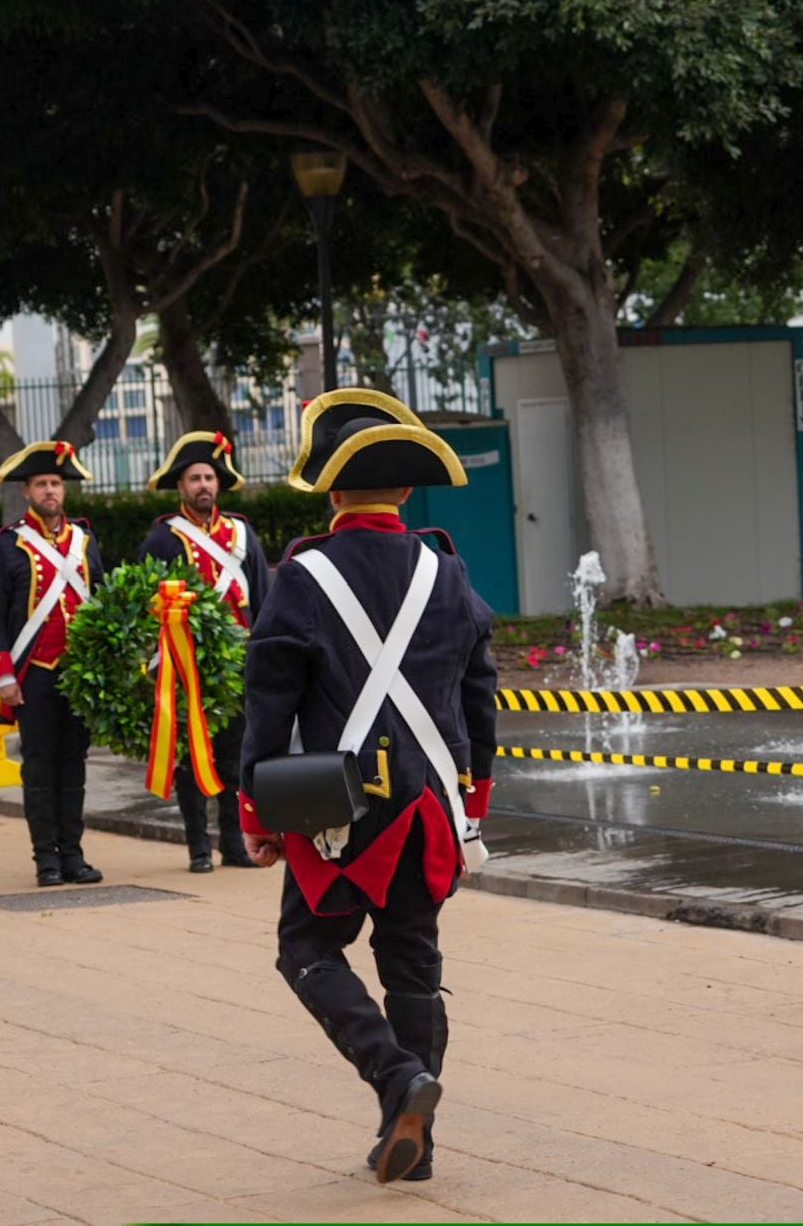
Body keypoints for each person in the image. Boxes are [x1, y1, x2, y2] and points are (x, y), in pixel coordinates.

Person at [239, 389, 496, 1184]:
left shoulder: (303, 571)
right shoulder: (446, 571)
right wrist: (474, 798)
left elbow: (269, 695)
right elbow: (479, 695)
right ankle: (415, 1142)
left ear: (333, 488)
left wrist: (256, 806)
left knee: (306, 947)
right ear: (406, 490)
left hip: (337, 807)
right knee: (412, 964)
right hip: (428, 805)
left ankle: (395, 1079)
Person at [137, 431, 270, 873]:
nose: (203, 486)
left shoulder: (241, 532)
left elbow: (264, 598)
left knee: (236, 760)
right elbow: (144, 602)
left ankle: (234, 845)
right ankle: (197, 847)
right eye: (195, 478)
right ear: (181, 487)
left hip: (238, 667)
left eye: (209, 477)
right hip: (184, 667)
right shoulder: (163, 539)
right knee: (190, 759)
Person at [0, 442, 104, 886]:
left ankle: (73, 854)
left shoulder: (84, 541)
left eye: (55, 483)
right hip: (35, 677)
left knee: (74, 767)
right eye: (41, 484)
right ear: (27, 492)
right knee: (39, 769)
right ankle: (45, 859)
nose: (50, 491)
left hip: (80, 676)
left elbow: (103, 603)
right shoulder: (7, 545)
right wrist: (4, 676)